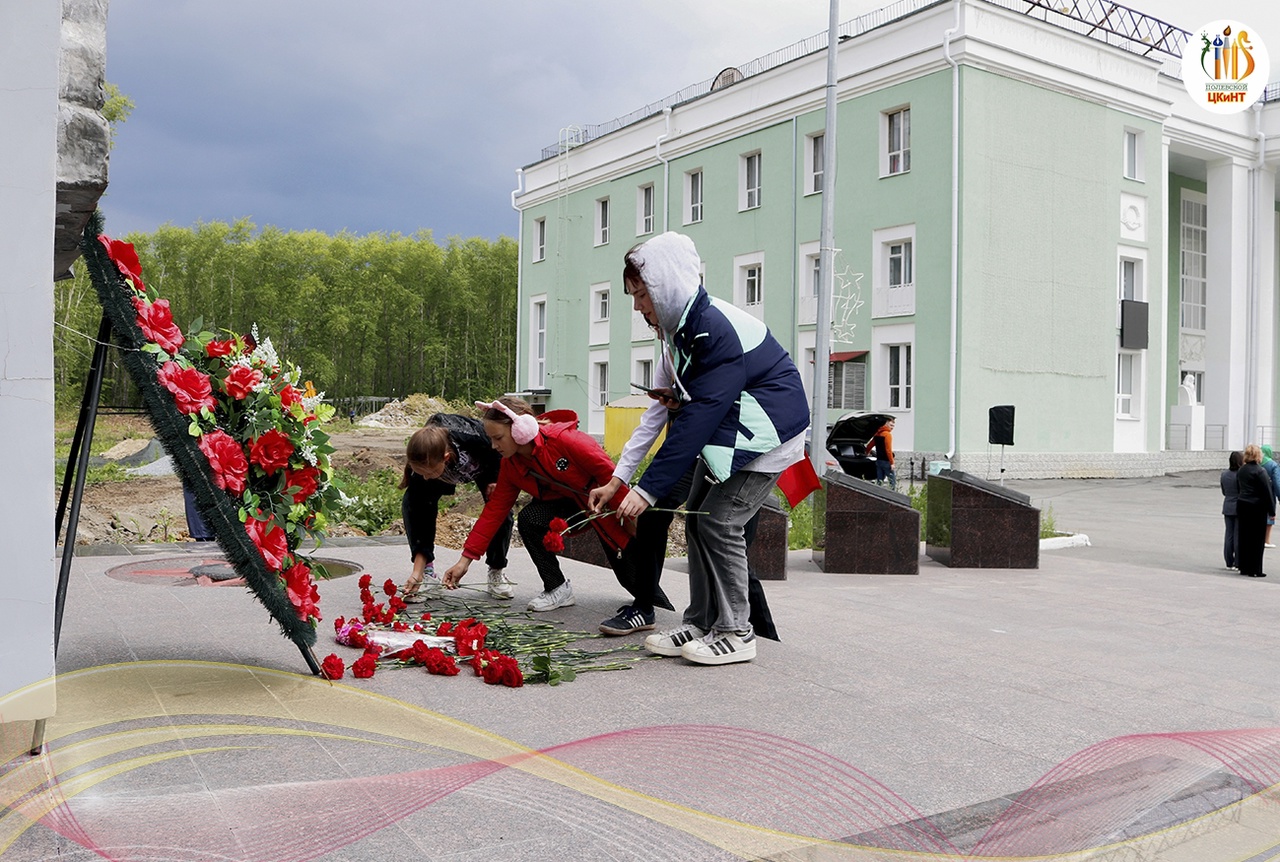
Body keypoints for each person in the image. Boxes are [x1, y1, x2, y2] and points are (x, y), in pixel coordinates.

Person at [613, 231, 810, 666]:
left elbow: (702, 415)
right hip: (733, 433)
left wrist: (645, 490)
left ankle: (737, 631)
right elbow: (692, 403)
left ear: (664, 285)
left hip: (765, 437)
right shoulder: (683, 330)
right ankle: (701, 621)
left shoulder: (712, 329)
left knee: (721, 522)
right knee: (699, 520)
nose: (638, 306)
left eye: (641, 294)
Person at [587, 332, 780, 640]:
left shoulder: (718, 342)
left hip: (737, 452)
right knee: (654, 516)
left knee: (727, 539)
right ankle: (647, 607)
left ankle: (763, 636)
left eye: (647, 301)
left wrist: (686, 404)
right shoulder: (670, 354)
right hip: (692, 451)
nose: (645, 312)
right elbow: (653, 420)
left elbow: (725, 404)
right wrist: (617, 482)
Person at [441, 397, 668, 616]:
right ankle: (557, 588)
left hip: (605, 509)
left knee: (637, 581)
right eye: (491, 438)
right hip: (570, 510)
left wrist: (632, 521)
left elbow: (612, 478)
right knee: (530, 519)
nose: (493, 445)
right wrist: (465, 561)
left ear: (521, 429)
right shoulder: (511, 466)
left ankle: (675, 619)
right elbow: (494, 512)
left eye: (498, 437)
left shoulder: (566, 441)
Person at [399, 413, 514, 602]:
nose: (425, 477)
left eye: (429, 473)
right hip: (445, 468)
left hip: (487, 464)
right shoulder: (424, 465)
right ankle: (427, 575)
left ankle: (496, 571)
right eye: (422, 473)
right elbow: (421, 519)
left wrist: (497, 478)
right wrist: (416, 572)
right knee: (415, 504)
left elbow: (501, 452)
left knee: (501, 511)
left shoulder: (475, 438)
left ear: (445, 458)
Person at [1235, 444, 1274, 578]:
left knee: (1244, 536)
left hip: (1242, 505)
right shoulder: (1260, 471)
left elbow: (1237, 487)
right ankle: (1255, 569)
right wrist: (1272, 511)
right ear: (1258, 456)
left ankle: (1244, 567)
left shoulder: (1241, 470)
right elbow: (1267, 491)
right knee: (1257, 539)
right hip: (1257, 507)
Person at [1221, 450, 1241, 571]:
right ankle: (1238, 561)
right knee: (1238, 535)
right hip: (1239, 505)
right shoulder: (1240, 474)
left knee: (1229, 534)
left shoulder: (1224, 474)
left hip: (1227, 504)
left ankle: (1229, 561)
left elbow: (1223, 491)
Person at [1261, 445, 1280, 548]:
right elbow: (1277, 482)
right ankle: (1266, 540)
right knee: (1269, 517)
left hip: (1256, 495)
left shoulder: (1256, 462)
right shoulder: (1273, 465)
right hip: (1269, 494)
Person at [871, 418, 896, 489]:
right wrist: (892, 463)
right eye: (891, 425)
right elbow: (888, 450)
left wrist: (867, 452)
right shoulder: (887, 435)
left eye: (893, 426)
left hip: (879, 461)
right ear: (886, 424)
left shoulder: (877, 434)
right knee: (892, 482)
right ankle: (893, 497)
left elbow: (870, 445)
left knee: (879, 481)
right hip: (886, 462)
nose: (892, 428)